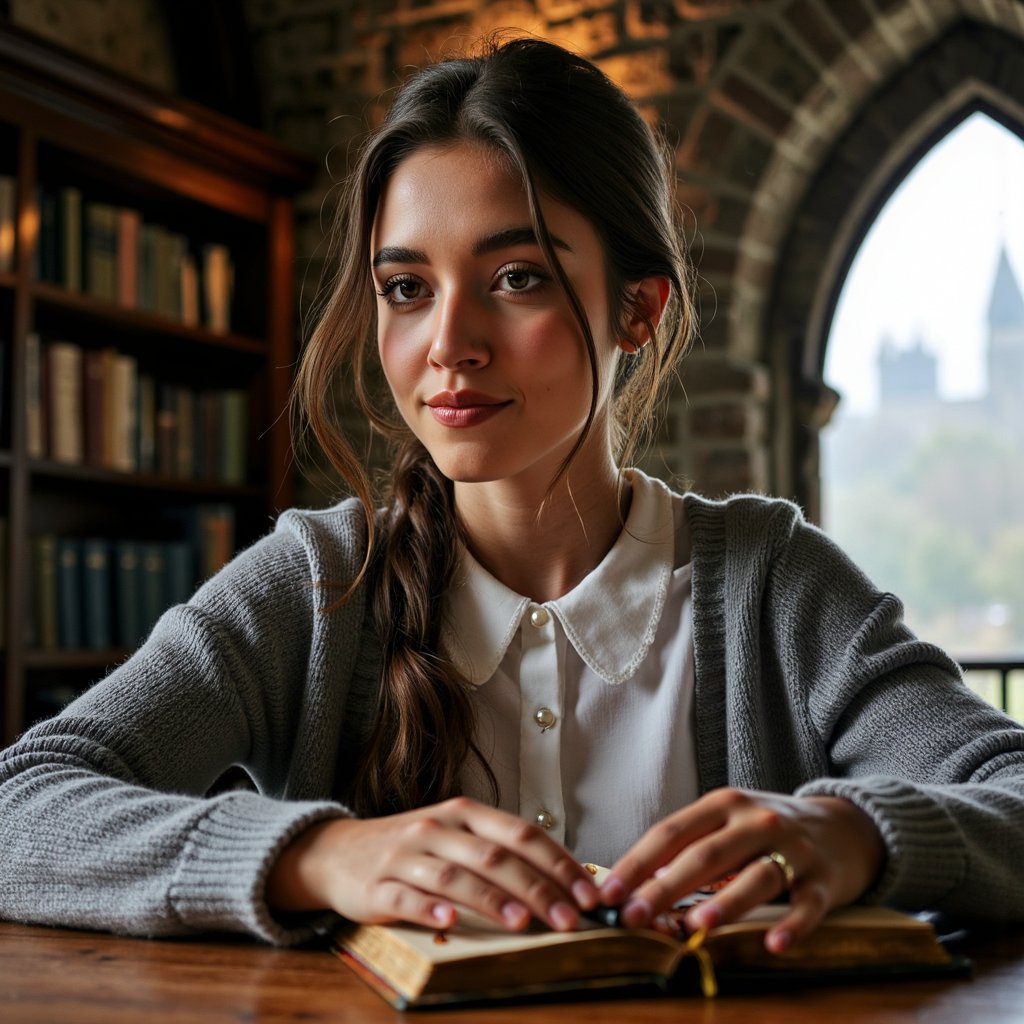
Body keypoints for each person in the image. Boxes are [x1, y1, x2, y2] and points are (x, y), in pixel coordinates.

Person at [2, 37, 1024, 957]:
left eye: (517, 277)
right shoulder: (318, 583)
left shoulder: (774, 587)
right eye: (406, 288)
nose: (448, 345)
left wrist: (858, 831)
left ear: (636, 307)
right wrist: (318, 856)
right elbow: (22, 808)